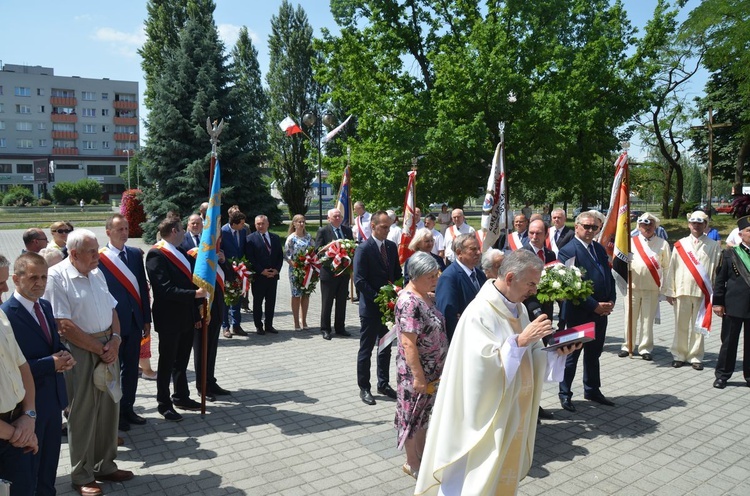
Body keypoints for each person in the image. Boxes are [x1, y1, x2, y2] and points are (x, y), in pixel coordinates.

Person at [414, 250, 579, 495]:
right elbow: (478, 370)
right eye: (531, 283)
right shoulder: (479, 312)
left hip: (511, 409)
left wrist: (556, 353)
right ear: (510, 277)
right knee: (472, 480)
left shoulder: (520, 310)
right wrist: (521, 340)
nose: (534, 291)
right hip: (482, 418)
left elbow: (531, 357)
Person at [44, 229, 134, 494]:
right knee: (83, 413)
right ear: (74, 254)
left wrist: (115, 340)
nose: (98, 255)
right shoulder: (56, 277)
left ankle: (105, 465)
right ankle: (82, 474)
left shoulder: (96, 272)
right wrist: (99, 348)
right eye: (92, 251)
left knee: (109, 409)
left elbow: (112, 309)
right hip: (81, 350)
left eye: (97, 250)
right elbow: (63, 325)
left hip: (107, 346)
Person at [3, 253, 75, 496]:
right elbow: (13, 368)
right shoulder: (7, 315)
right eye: (33, 277)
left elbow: (53, 344)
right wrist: (50, 363)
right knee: (29, 470)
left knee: (49, 464)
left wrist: (64, 356)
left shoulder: (44, 305)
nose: (40, 282)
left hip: (53, 401)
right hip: (26, 409)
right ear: (16, 279)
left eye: (44, 277)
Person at [146, 214, 206, 422]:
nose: (184, 233)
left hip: (186, 316)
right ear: (174, 232)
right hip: (169, 317)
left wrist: (196, 309)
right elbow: (164, 290)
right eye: (181, 229)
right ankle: (164, 403)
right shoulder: (156, 255)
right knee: (167, 362)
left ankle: (181, 396)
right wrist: (195, 295)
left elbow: (191, 282)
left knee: (181, 361)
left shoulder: (180, 252)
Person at [394, 252, 448, 479]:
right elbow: (408, 343)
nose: (435, 279)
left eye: (436, 274)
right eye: (430, 276)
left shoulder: (424, 295)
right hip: (416, 374)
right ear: (414, 276)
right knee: (410, 418)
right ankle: (412, 463)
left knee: (423, 417)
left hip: (431, 372)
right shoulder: (409, 301)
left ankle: (423, 456)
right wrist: (417, 377)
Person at [557, 211, 616, 412]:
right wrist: (594, 305)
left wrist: (611, 300)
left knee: (594, 354)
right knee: (572, 356)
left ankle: (592, 389)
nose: (590, 230)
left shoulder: (599, 249)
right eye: (586, 226)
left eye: (594, 227)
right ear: (577, 227)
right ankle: (565, 394)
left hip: (600, 313)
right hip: (578, 314)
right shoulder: (567, 251)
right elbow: (571, 286)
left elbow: (609, 276)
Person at [97, 214, 152, 432]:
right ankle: (115, 413)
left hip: (135, 321)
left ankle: (128, 408)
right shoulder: (100, 258)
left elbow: (142, 288)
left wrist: (146, 318)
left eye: (127, 229)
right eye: (120, 229)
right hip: (113, 325)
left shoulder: (135, 255)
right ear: (108, 231)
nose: (125, 233)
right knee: (113, 371)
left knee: (131, 369)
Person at [0, 254, 40, 496]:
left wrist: (29, 415)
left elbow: (22, 366)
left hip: (18, 425)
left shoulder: (0, 315)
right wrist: (17, 434)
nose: (5, 289)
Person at [354, 210, 403, 405]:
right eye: (383, 227)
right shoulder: (364, 249)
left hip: (388, 308)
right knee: (366, 348)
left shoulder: (391, 247)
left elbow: (397, 274)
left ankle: (383, 383)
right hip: (371, 307)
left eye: (389, 227)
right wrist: (379, 298)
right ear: (372, 226)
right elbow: (359, 280)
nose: (387, 230)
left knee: (385, 347)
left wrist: (396, 293)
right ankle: (364, 387)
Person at [663, 210, 722, 370]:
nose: (696, 226)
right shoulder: (680, 244)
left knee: (699, 327)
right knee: (680, 325)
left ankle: (696, 356)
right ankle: (679, 355)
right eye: (694, 223)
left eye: (700, 223)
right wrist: (669, 291)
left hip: (702, 292)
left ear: (705, 225)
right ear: (689, 224)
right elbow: (672, 268)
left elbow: (717, 269)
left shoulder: (713, 245)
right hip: (682, 290)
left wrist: (716, 294)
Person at [619, 213, 670, 360]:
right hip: (632, 287)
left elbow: (667, 268)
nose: (647, 228)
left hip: (652, 288)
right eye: (644, 225)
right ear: (639, 226)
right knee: (630, 318)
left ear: (655, 227)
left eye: (650, 225)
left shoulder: (663, 244)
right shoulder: (630, 242)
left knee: (647, 320)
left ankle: (645, 348)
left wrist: (665, 289)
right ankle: (627, 345)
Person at [713, 216, 750, 389]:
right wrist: (717, 303)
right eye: (749, 231)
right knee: (729, 343)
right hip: (733, 305)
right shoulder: (729, 254)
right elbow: (720, 281)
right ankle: (722, 375)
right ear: (741, 234)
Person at [435, 233, 486, 342]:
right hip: (462, 339)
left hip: (482, 336)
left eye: (478, 248)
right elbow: (448, 315)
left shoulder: (480, 275)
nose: (478, 253)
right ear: (459, 252)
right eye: (473, 249)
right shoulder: (449, 277)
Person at [314, 209, 354, 340]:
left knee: (342, 301)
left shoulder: (347, 230)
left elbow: (352, 247)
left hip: (343, 273)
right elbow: (318, 250)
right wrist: (331, 252)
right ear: (329, 218)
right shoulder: (323, 231)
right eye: (335, 216)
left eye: (339, 216)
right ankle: (325, 329)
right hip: (329, 273)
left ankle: (340, 328)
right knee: (327, 302)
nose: (338, 218)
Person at [245, 215, 284, 335]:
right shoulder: (250, 239)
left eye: (262, 223)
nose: (260, 226)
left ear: (267, 224)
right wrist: (261, 271)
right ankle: (259, 326)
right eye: (258, 224)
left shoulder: (275, 238)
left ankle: (269, 325)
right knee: (258, 302)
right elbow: (250, 258)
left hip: (273, 276)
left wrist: (276, 270)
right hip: (259, 276)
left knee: (270, 302)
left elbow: (280, 256)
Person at [220, 209, 248, 337]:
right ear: (234, 223)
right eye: (242, 223)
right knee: (226, 299)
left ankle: (237, 325)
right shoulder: (222, 232)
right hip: (226, 269)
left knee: (237, 297)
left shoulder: (242, 232)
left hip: (239, 270)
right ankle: (225, 326)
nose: (244, 225)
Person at [285, 214, 314, 331]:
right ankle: (296, 322)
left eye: (303, 221)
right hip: (295, 271)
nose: (301, 224)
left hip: (308, 270)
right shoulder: (291, 238)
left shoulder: (308, 237)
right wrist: (297, 267)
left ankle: (304, 320)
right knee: (296, 295)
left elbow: (313, 252)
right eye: (299, 222)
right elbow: (287, 256)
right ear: (294, 224)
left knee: (306, 295)